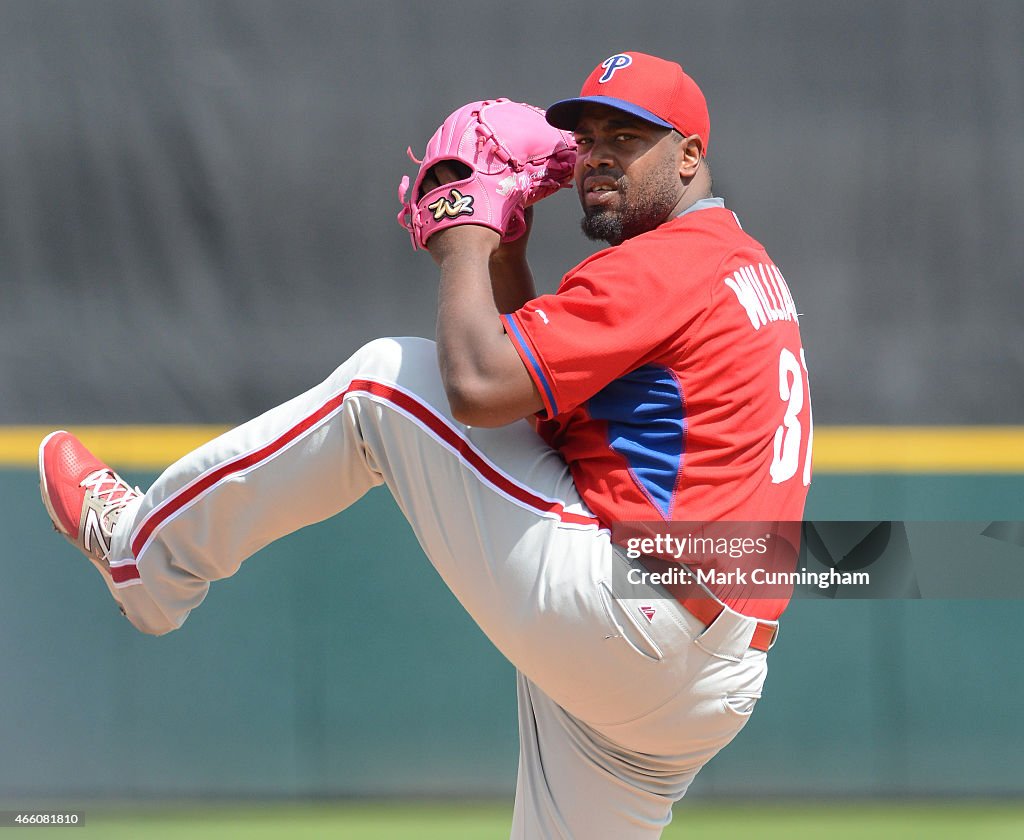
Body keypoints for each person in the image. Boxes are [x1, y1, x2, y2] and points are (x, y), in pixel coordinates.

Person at [38, 52, 812, 839]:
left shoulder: (665, 266)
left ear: (689, 156)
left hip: (636, 616)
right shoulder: (732, 265)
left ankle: (144, 555)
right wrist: (507, 252)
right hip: (707, 681)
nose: (597, 154)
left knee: (381, 385)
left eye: (628, 135)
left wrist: (465, 233)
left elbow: (474, 387)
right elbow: (536, 411)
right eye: (587, 137)